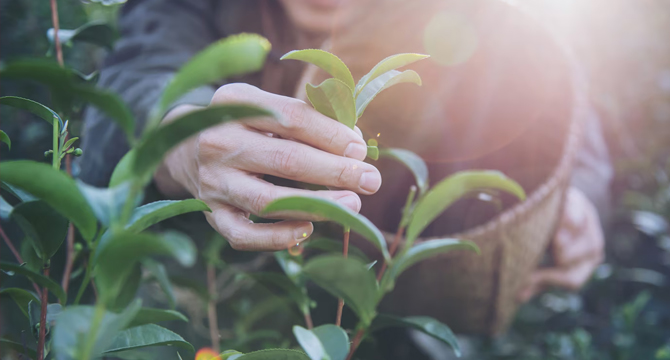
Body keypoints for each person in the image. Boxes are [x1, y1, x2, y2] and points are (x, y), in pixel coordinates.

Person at [79, 0, 610, 337]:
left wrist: (580, 197)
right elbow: (137, 77)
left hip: (404, 314)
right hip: (229, 310)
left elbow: (560, 100)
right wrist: (180, 136)